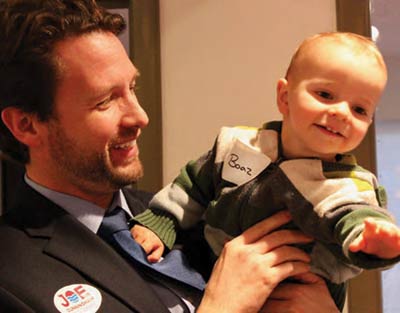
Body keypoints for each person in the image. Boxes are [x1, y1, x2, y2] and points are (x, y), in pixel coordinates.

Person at [0, 0, 342, 312]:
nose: (140, 117)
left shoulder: (186, 210)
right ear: (27, 125)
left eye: (131, 88)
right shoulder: (11, 278)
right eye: (104, 101)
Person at [132, 32, 400, 309]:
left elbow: (355, 216)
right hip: (213, 275)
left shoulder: (349, 186)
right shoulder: (236, 145)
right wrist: (162, 221)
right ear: (284, 96)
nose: (343, 113)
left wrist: (371, 240)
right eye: (325, 95)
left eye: (359, 109)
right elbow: (193, 186)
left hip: (298, 296)